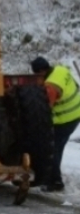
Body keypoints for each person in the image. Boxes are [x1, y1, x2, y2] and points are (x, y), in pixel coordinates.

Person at [31, 56, 80, 192]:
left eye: (37, 75)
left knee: (53, 149)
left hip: (65, 120)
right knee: (56, 148)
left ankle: (55, 182)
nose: (37, 78)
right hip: (76, 113)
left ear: (41, 72)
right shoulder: (60, 70)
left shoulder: (50, 87)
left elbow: (45, 109)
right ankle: (52, 178)